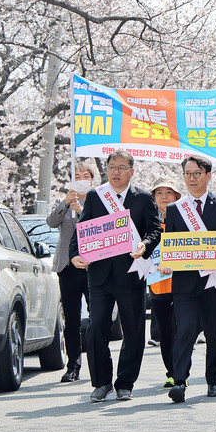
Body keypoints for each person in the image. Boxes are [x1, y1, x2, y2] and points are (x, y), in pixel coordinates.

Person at [69, 150, 162, 402]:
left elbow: (155, 230)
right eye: (112, 167)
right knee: (96, 326)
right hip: (99, 275)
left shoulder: (142, 198)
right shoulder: (96, 196)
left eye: (122, 167)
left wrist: (145, 245)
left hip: (131, 273)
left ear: (132, 171)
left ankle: (125, 383)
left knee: (133, 330)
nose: (116, 172)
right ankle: (101, 382)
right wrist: (74, 253)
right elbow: (82, 229)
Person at [161, 156, 216, 403]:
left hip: (213, 279)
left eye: (196, 174)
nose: (191, 179)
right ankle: (180, 380)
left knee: (214, 332)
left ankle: (213, 381)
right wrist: (165, 262)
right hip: (184, 283)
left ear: (208, 176)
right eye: (187, 174)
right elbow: (169, 245)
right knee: (185, 329)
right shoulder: (175, 209)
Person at [47, 160, 99, 383]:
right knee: (71, 318)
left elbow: (101, 228)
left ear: (92, 179)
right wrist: (66, 204)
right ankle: (73, 365)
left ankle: (98, 363)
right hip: (67, 267)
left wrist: (84, 211)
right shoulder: (66, 201)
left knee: (96, 315)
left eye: (85, 175)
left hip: (91, 265)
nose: (81, 179)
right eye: (76, 175)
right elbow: (51, 222)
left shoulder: (98, 202)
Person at [149, 180, 182, 388]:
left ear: (176, 196)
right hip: (158, 286)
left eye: (168, 192)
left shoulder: (185, 220)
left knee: (182, 330)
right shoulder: (148, 223)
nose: (164, 197)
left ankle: (181, 372)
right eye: (159, 193)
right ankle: (171, 372)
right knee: (165, 333)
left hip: (182, 285)